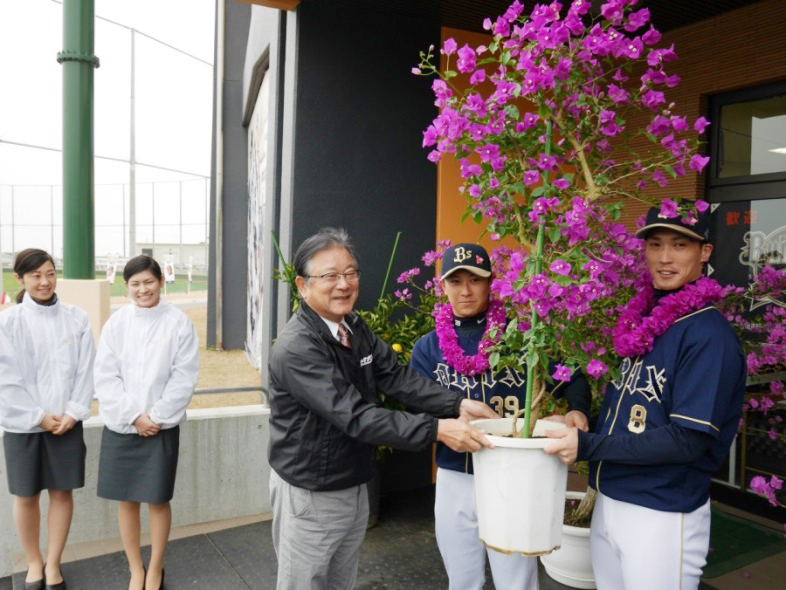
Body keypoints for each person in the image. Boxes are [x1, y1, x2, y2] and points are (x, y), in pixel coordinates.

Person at [267, 228, 500, 590]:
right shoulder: (297, 348)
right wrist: (437, 430)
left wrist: (457, 403)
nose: (343, 284)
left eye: (350, 273)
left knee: (340, 581)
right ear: (302, 285)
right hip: (312, 492)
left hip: (353, 479)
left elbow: (397, 378)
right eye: (330, 275)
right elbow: (355, 415)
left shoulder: (352, 327)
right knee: (305, 583)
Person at [545, 205, 746, 590]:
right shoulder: (645, 320)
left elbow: (688, 440)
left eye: (680, 245)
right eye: (655, 244)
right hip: (611, 500)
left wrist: (587, 445)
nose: (665, 257)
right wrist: (581, 420)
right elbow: (637, 413)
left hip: (662, 510)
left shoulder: (708, 335)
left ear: (704, 252)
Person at [410, 243, 592, 590]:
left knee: (516, 581)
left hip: (514, 474)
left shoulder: (523, 336)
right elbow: (417, 408)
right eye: (456, 281)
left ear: (491, 282)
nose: (465, 290)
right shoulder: (427, 347)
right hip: (454, 473)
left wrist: (576, 409)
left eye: (475, 280)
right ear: (443, 286)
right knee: (462, 579)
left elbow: (573, 373)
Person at [95, 255, 199, 590]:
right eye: (135, 284)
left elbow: (184, 377)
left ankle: (155, 566)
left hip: (159, 427)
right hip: (123, 425)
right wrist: (133, 416)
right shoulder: (116, 323)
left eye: (148, 282)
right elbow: (106, 376)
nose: (143, 289)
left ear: (161, 281)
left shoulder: (179, 323)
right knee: (127, 500)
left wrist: (154, 417)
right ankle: (134, 568)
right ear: (126, 287)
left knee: (157, 499)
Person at [0, 248, 95, 590]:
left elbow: (86, 370)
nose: (44, 281)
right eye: (36, 275)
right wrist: (38, 417)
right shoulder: (8, 322)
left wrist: (73, 412)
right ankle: (33, 562)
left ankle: (53, 563)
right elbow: (5, 380)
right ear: (20, 279)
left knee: (61, 492)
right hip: (23, 424)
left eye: (50, 273)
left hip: (66, 423)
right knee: (25, 495)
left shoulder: (76, 318)